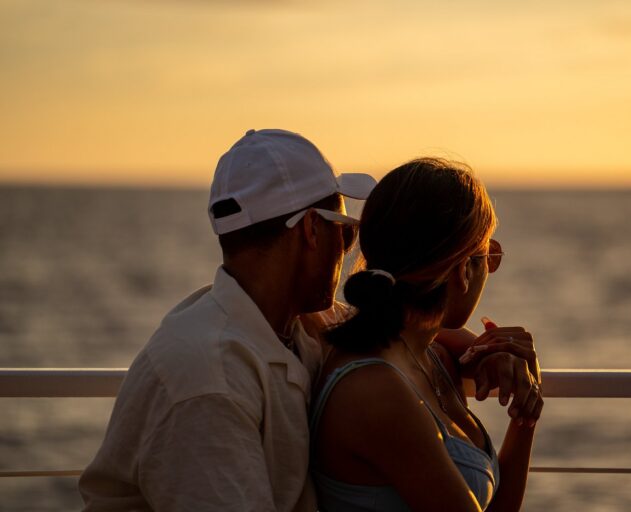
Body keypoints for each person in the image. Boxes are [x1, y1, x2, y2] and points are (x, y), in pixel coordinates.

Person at [79, 129, 539, 512]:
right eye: (344, 227)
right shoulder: (208, 381)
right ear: (309, 231)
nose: (352, 244)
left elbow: (404, 327)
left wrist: (482, 352)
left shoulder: (296, 326)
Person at [311, 158, 543, 512]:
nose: (489, 269)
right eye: (488, 255)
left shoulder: (428, 354)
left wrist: (525, 411)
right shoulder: (377, 390)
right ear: (464, 269)